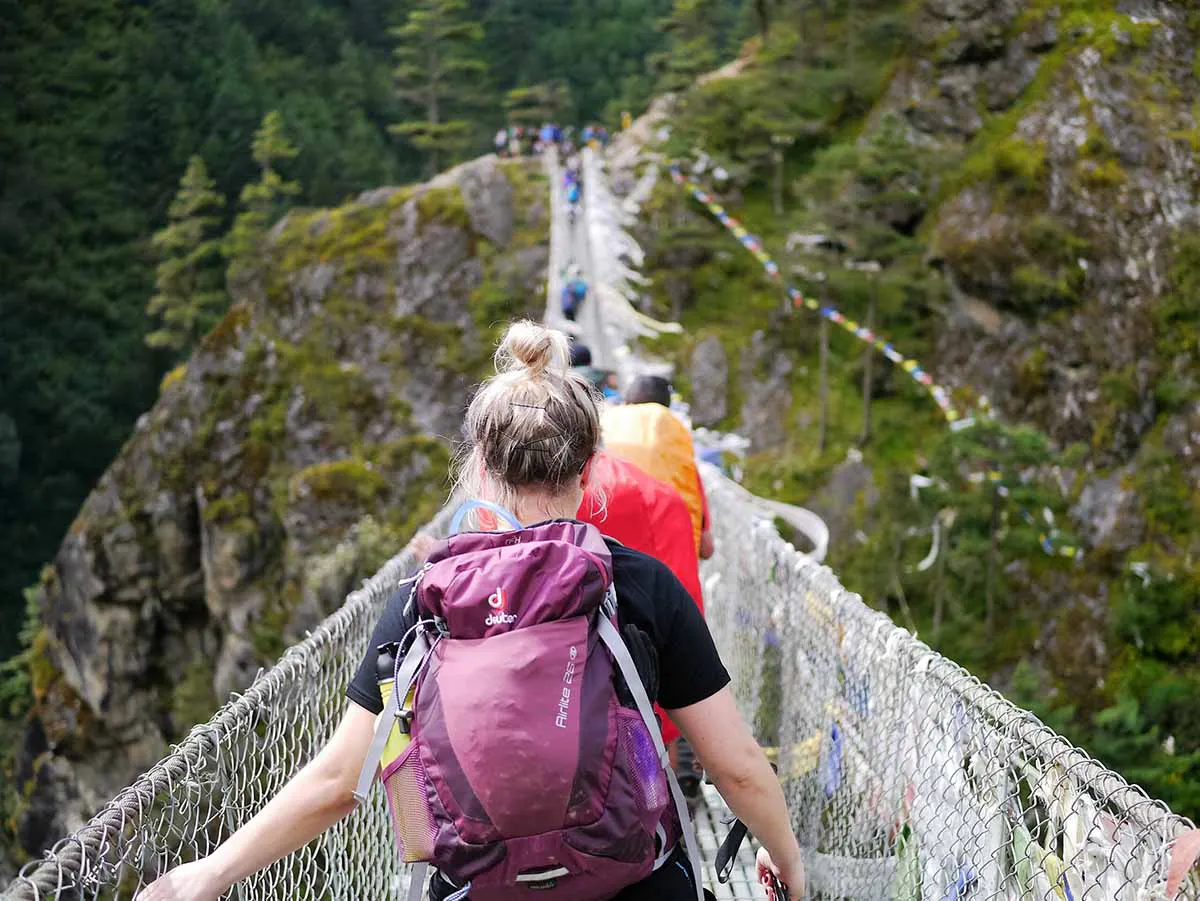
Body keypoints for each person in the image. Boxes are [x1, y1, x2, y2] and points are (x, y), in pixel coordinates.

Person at [135, 322, 805, 901]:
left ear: (481, 466)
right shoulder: (639, 583)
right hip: (635, 880)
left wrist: (209, 873)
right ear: (588, 469)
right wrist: (786, 859)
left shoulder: (424, 601)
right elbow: (736, 765)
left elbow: (341, 780)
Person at [601, 376, 715, 561]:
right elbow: (706, 548)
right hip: (668, 567)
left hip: (608, 561)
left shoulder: (604, 423)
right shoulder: (678, 441)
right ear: (667, 408)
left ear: (626, 402)